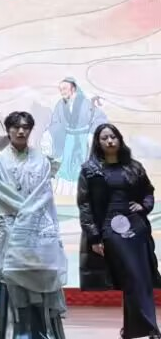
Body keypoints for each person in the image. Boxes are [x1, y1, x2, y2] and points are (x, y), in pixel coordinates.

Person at [0, 111, 66, 339]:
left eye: (26, 127)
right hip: (10, 230)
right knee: (12, 282)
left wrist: (29, 217)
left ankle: (42, 334)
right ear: (8, 130)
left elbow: (44, 194)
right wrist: (24, 214)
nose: (21, 131)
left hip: (37, 231)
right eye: (16, 127)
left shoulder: (41, 160)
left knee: (41, 283)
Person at [78, 123, 161, 339]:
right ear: (98, 142)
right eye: (104, 138)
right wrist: (94, 236)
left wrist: (144, 206)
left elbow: (148, 192)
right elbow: (85, 205)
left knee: (141, 278)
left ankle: (136, 330)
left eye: (113, 136)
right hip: (110, 229)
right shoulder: (90, 170)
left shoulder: (134, 166)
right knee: (132, 275)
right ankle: (150, 328)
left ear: (119, 139)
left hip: (136, 227)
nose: (109, 141)